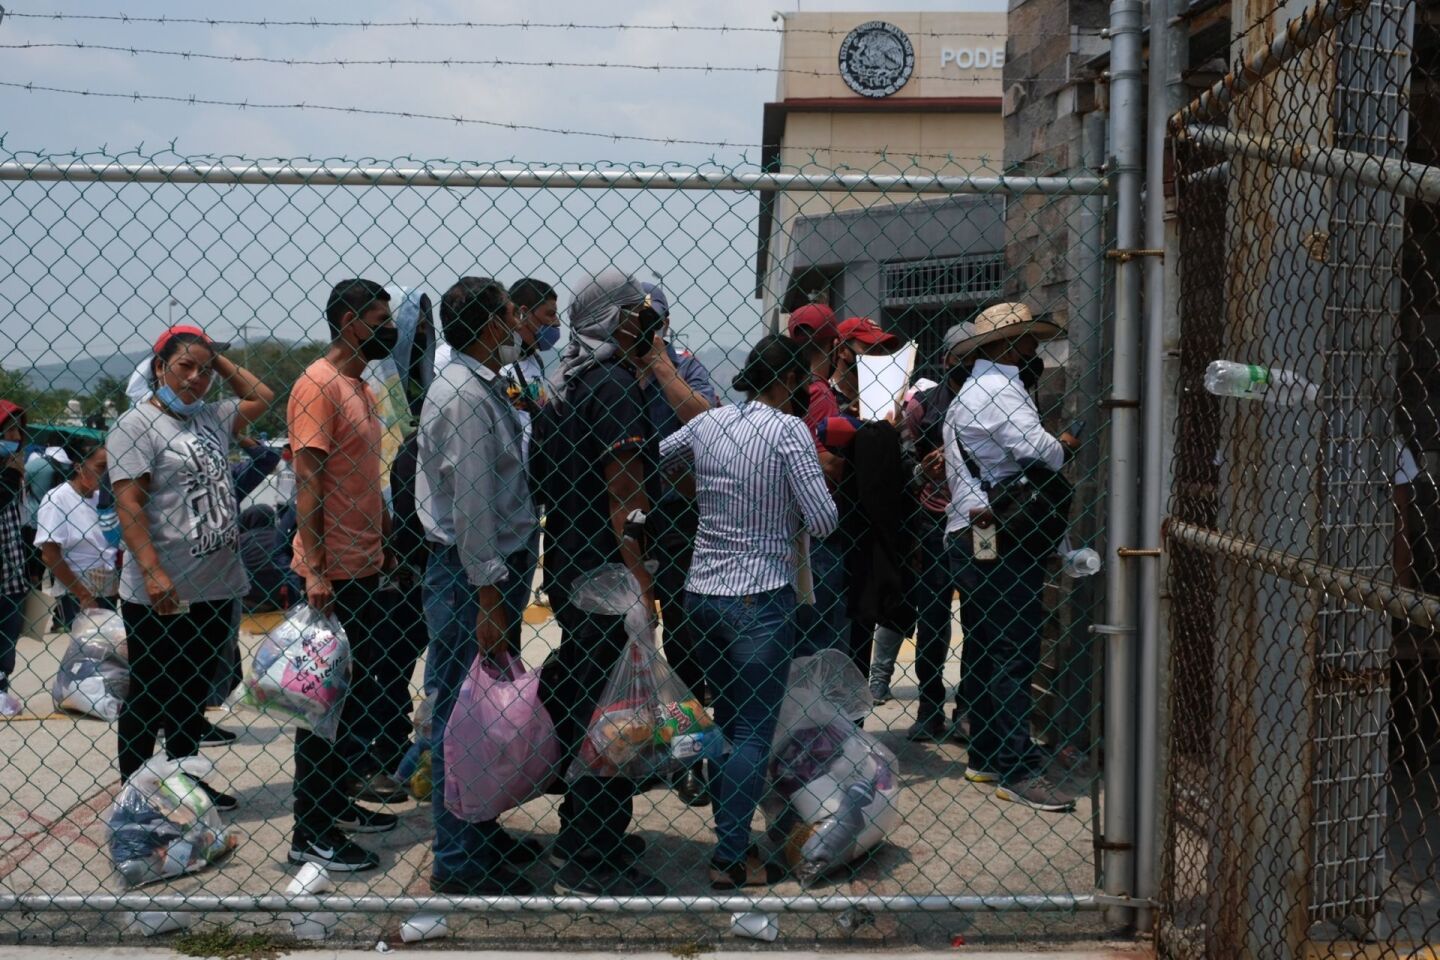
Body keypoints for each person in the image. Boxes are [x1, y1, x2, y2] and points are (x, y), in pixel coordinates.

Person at [659, 335, 838, 888]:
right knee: (754, 731)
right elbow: (824, 519)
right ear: (788, 381)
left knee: (728, 724)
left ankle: (730, 838)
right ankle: (731, 855)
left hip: (702, 596)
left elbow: (661, 458)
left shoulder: (710, 423)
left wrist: (706, 493)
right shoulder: (787, 431)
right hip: (760, 596)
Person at [530, 268, 664, 896]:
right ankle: (592, 853)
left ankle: (588, 829)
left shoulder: (567, 384)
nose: (647, 322)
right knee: (613, 713)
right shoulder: (612, 387)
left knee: (595, 701)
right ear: (614, 319)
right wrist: (641, 584)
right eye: (636, 313)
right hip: (609, 575)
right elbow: (625, 496)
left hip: (572, 566)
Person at [416, 276, 547, 896]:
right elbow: (471, 506)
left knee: (485, 708)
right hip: (474, 575)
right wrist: (490, 595)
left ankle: (480, 831)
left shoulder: (483, 385)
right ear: (492, 324)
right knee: (460, 714)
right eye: (510, 315)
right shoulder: (465, 395)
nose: (519, 325)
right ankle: (459, 860)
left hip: (489, 569)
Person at [106, 324, 274, 806]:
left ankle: (183, 782)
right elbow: (130, 505)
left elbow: (261, 395)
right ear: (159, 368)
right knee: (152, 693)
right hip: (165, 590)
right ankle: (134, 797)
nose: (195, 379)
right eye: (184, 367)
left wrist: (213, 359)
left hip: (217, 586)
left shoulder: (212, 417)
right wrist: (155, 573)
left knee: (190, 696)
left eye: (204, 372)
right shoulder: (135, 425)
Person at [285, 279, 407, 872]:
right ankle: (310, 832)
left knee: (354, 706)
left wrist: (385, 541)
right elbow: (307, 482)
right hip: (330, 576)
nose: (390, 329)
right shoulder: (318, 385)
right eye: (380, 319)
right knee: (322, 711)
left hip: (364, 568)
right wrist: (315, 567)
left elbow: (366, 477)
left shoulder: (361, 386)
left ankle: (336, 805)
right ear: (348, 321)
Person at [948, 302, 1079, 813]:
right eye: (1026, 339)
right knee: (1014, 650)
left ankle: (984, 753)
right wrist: (1064, 442)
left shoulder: (966, 394)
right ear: (1006, 344)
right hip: (1006, 536)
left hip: (972, 530)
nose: (1033, 347)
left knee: (984, 645)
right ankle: (1016, 766)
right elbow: (1042, 453)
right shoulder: (1003, 390)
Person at [632, 281, 719, 806]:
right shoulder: (601, 371)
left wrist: (661, 368)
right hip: (619, 521)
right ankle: (631, 748)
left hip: (680, 517)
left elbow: (708, 420)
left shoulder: (684, 364)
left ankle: (689, 758)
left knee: (687, 646)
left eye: (653, 322)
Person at [871, 323, 980, 740]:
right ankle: (930, 707)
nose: (970, 365)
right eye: (964, 356)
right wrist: (922, 470)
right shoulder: (923, 406)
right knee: (932, 621)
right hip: (933, 522)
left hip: (975, 519)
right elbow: (901, 467)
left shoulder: (987, 401)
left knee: (976, 618)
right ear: (949, 359)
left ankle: (967, 708)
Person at [785, 304, 851, 657]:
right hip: (819, 531)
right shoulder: (821, 394)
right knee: (823, 640)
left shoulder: (786, 391)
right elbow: (827, 463)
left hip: (784, 527)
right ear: (835, 343)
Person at [34, 439, 119, 630]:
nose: (107, 473)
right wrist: (83, 595)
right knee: (86, 650)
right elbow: (49, 554)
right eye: (101, 467)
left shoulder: (102, 498)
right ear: (79, 467)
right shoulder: (58, 499)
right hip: (76, 591)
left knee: (106, 649)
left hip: (108, 588)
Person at [0, 400, 30, 717]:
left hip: (11, 570)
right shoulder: (11, 472)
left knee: (7, 640)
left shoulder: (14, 470)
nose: (15, 437)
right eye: (8, 429)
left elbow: (21, 522)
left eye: (18, 431)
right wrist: (9, 476)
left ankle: (1, 688)